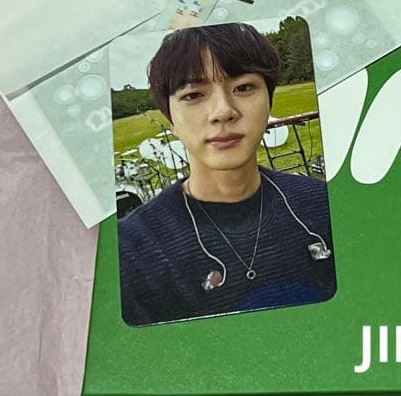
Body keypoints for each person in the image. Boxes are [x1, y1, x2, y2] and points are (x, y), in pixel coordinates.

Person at [117, 22, 336, 326]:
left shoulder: (326, 206)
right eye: (194, 95)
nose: (223, 111)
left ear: (269, 99)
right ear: (169, 117)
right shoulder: (131, 251)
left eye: (243, 87)